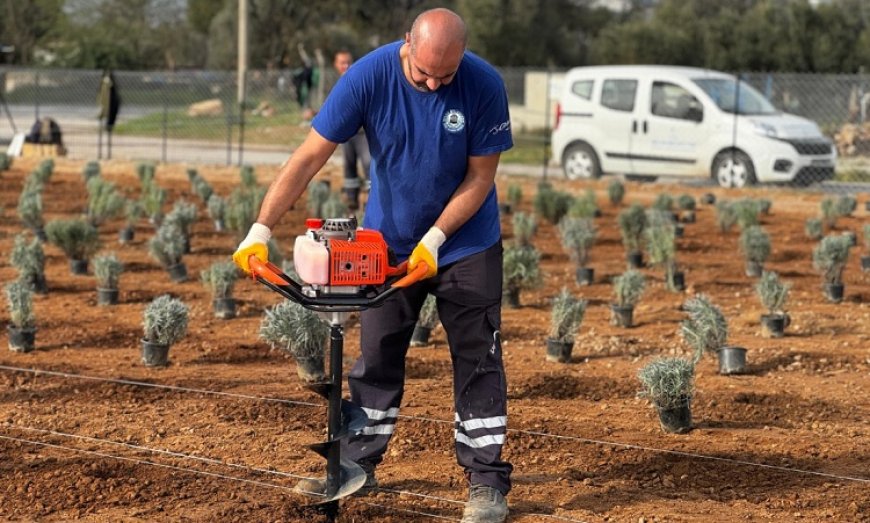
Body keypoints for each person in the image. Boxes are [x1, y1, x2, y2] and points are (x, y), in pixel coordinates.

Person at [233, 8, 512, 523]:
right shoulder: (368, 75)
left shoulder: (484, 84)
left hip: (467, 243)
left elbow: (480, 179)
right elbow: (309, 156)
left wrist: (435, 239)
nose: (432, 84)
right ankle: (355, 466)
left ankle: (487, 483)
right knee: (377, 356)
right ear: (407, 43)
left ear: (461, 60)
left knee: (477, 358)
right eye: (423, 72)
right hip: (386, 243)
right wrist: (260, 230)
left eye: (444, 76)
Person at [332, 50, 371, 210]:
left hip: (362, 133)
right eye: (342, 62)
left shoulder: (359, 80)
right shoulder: (336, 84)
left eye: (348, 62)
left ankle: (371, 199)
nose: (346, 65)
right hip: (347, 134)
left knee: (368, 163)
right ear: (336, 65)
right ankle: (352, 199)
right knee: (349, 165)